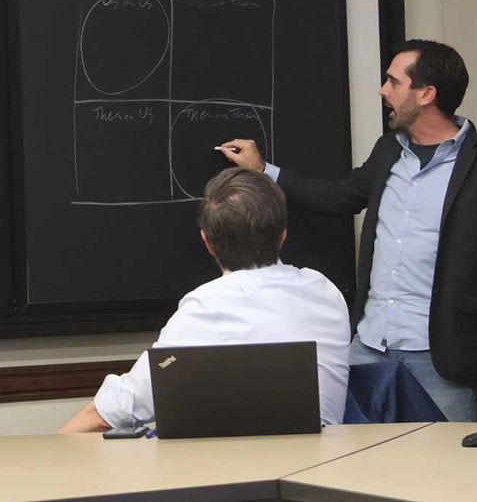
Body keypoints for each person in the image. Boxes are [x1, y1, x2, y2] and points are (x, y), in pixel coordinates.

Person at [219, 40, 477, 421]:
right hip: (369, 347)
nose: (383, 90)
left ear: (426, 94)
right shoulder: (387, 151)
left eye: (393, 82)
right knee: (351, 454)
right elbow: (338, 197)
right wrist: (264, 170)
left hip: (443, 359)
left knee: (444, 460)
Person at [59, 167, 351, 432]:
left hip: (235, 470)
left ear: (207, 242)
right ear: (283, 236)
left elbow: (110, 413)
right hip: (325, 466)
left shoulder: (206, 308)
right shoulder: (326, 292)